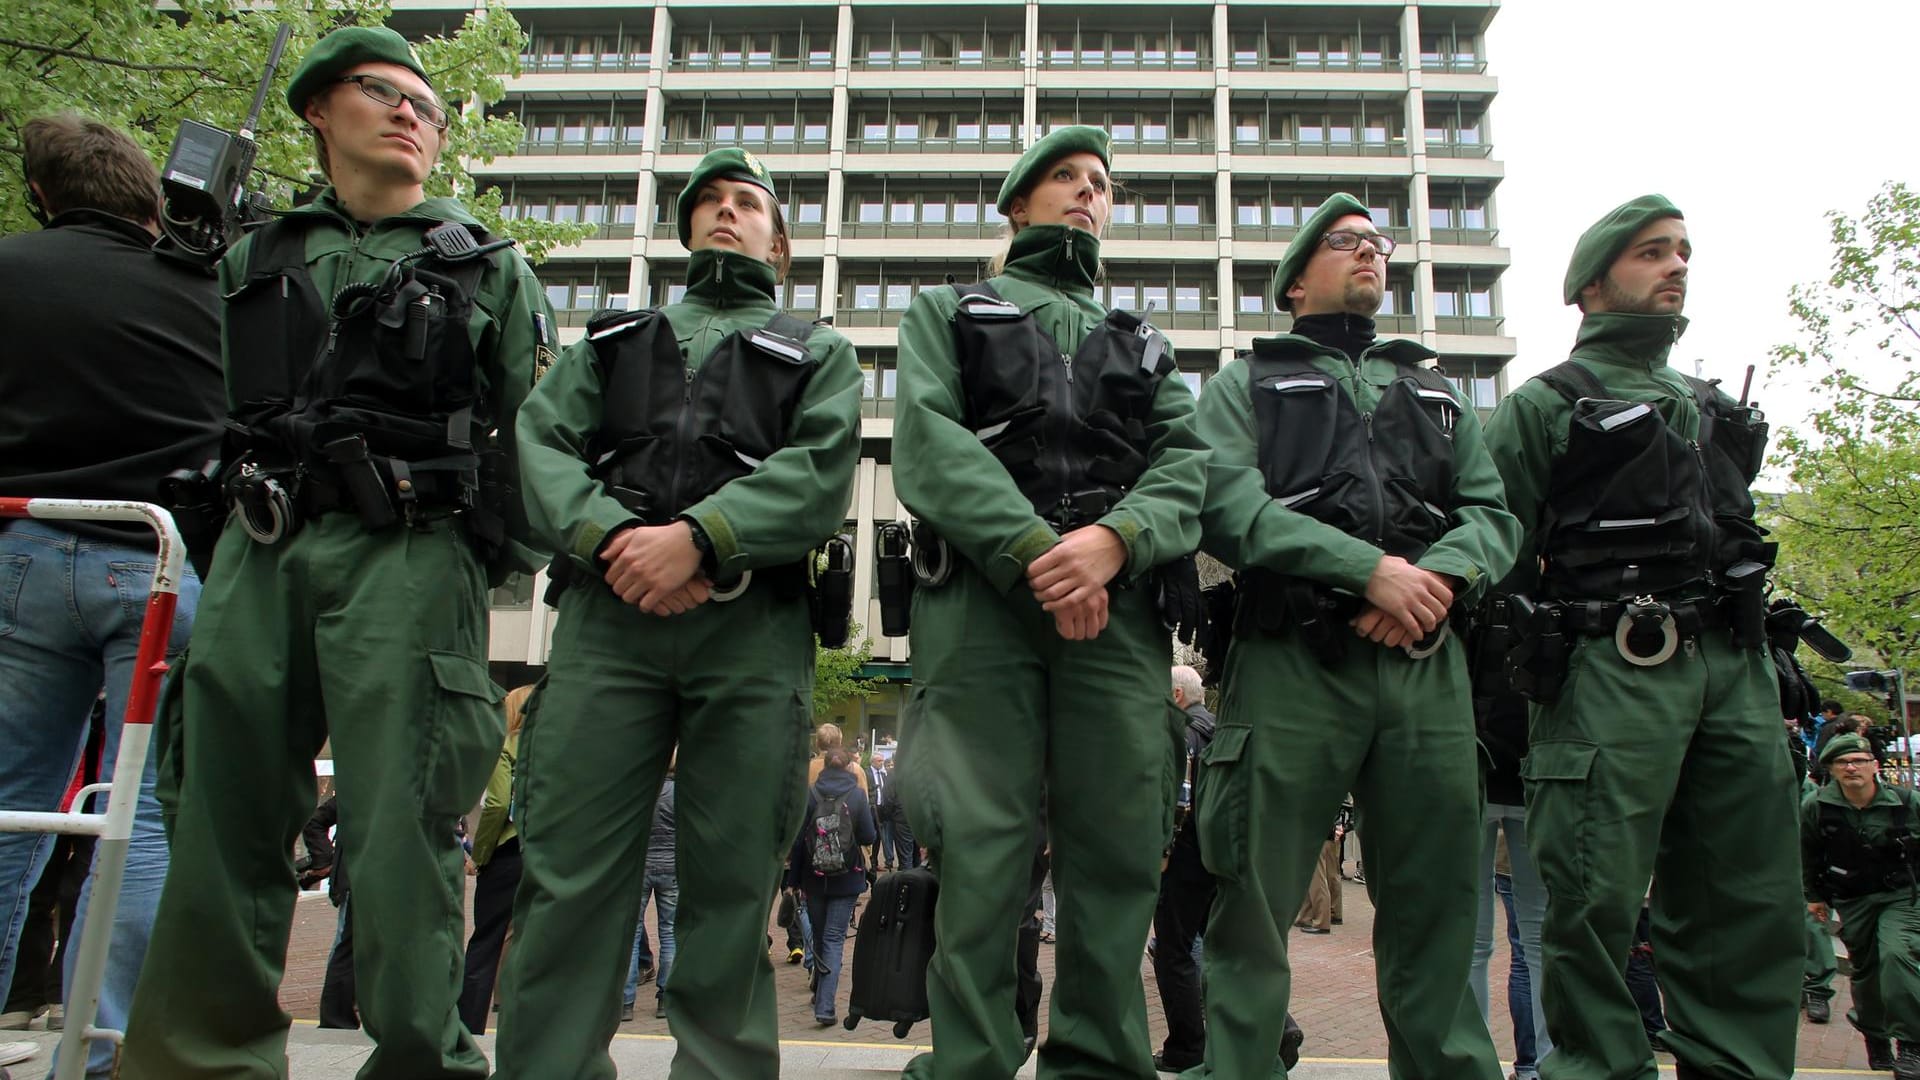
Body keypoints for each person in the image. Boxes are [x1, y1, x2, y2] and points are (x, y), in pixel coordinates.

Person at [120, 27, 553, 1080]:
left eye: (427, 106)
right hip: (263, 553)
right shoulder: (249, 259)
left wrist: (485, 559)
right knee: (220, 809)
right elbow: (216, 410)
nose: (412, 114)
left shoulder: (489, 265)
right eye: (382, 92)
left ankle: (422, 1059)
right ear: (319, 112)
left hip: (409, 555)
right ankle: (198, 1059)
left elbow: (537, 438)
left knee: (402, 830)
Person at [494, 145, 862, 1080]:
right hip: (608, 626)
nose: (727, 213)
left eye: (748, 203)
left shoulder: (817, 348)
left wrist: (700, 536)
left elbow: (818, 476)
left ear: (778, 241)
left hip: (750, 635)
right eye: (710, 202)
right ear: (685, 227)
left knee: (731, 884)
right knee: (570, 872)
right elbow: (541, 446)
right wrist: (620, 541)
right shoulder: (613, 341)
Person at [891, 124, 1207, 1079]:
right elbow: (928, 438)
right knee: (980, 853)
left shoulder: (1141, 342)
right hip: (986, 609)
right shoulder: (945, 309)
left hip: (1118, 615)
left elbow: (1191, 463)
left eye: (1100, 182)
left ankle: (1101, 1064)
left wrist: (1116, 542)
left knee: (1115, 854)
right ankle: (970, 1063)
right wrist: (1040, 552)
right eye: (1065, 178)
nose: (1086, 193)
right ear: (1018, 205)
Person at [1187, 191, 1518, 1080]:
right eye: (1347, 243)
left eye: (1379, 244)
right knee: (1254, 907)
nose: (1371, 253)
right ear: (1295, 284)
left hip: (1424, 664)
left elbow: (1491, 513)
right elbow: (1223, 503)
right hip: (1292, 662)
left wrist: (1439, 576)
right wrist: (1365, 568)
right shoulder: (1245, 383)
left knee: (1438, 910)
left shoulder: (1436, 389)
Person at [1481, 194, 1801, 1080]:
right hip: (1607, 665)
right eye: (1652, 252)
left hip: (1734, 670)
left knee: (1748, 897)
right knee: (1590, 901)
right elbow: (1494, 555)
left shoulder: (1707, 404)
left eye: (1684, 251)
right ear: (1589, 286)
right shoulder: (1545, 406)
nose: (1676, 266)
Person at [0, 112, 222, 1079]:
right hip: (162, 558)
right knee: (146, 818)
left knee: (12, 805)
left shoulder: (11, 269)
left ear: (42, 194)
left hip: (27, 546)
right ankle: (96, 1052)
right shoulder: (206, 288)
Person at [1803, 732, 1920, 1078]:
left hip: (1903, 896)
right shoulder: (1817, 806)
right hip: (1853, 899)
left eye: (1859, 761)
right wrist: (1813, 896)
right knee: (1867, 973)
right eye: (1842, 762)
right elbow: (1807, 854)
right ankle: (1876, 1038)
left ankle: (1912, 1043)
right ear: (1832, 770)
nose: (1851, 767)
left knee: (1897, 955)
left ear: (1875, 766)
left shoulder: (1906, 801)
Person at [458, 685, 531, 1034]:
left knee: (486, 940)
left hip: (507, 853)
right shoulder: (559, 751)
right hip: (548, 852)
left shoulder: (505, 748)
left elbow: (498, 804)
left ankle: (468, 1023)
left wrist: (480, 854)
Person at [788, 748, 876, 1026]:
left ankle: (819, 988)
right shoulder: (858, 795)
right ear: (850, 767)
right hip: (847, 877)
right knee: (834, 938)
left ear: (824, 766)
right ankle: (825, 1006)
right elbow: (868, 834)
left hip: (813, 878)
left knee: (819, 932)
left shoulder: (810, 794)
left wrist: (793, 881)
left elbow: (799, 840)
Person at [623, 772, 678, 1023]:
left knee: (631, 935)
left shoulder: (636, 791)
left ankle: (626, 1001)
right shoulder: (677, 792)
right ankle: (665, 997)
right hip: (671, 867)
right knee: (668, 932)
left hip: (639, 867)